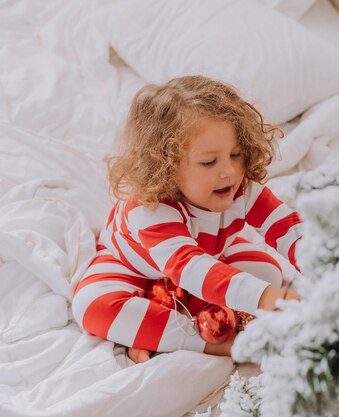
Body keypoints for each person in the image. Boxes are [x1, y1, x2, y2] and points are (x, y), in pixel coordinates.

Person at [72, 76, 303, 363]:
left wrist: (326, 265)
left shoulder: (242, 189)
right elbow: (189, 267)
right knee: (90, 305)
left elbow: (287, 228)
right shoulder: (149, 209)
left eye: (236, 154)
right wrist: (265, 298)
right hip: (134, 268)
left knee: (267, 270)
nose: (229, 171)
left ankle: (158, 326)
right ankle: (203, 340)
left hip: (206, 262)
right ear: (166, 165)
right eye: (209, 162)